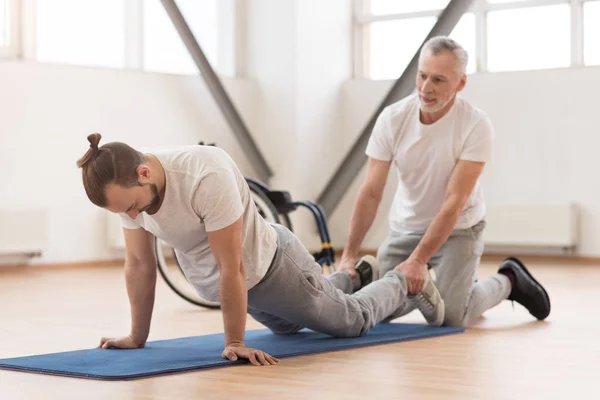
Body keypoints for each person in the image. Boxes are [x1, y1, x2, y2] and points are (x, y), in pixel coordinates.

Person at [76, 133, 445, 367]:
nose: (133, 216)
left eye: (132, 207)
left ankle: (404, 280)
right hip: (242, 287)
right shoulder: (128, 193)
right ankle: (352, 277)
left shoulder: (205, 175)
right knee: (288, 328)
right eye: (124, 212)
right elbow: (139, 265)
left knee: (352, 322)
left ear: (143, 173)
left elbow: (232, 265)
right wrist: (137, 337)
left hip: (273, 269)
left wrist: (234, 342)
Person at [337, 36, 551, 327]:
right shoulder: (393, 119)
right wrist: (349, 255)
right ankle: (453, 286)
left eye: (438, 80)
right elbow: (371, 192)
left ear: (460, 83)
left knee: (452, 316)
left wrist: (418, 260)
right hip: (406, 228)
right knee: (382, 311)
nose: (426, 88)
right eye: (422, 76)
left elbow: (455, 201)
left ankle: (509, 280)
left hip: (459, 228)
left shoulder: (475, 124)